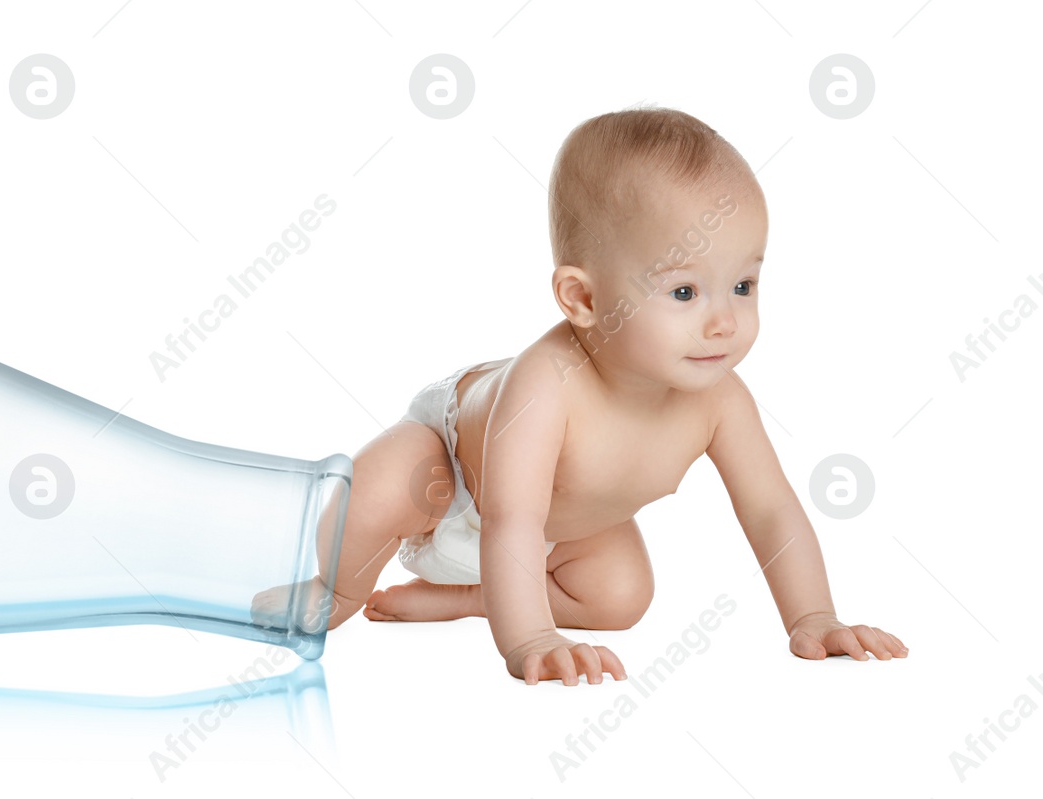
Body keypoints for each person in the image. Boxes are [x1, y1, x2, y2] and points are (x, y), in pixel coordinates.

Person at [253, 107, 908, 685]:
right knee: (382, 488)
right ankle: (334, 588)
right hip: (455, 475)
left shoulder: (721, 401)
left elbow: (770, 510)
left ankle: (470, 599)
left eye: (743, 285)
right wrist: (531, 639)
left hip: (559, 532)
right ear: (584, 299)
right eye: (685, 292)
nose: (725, 321)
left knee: (622, 597)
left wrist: (815, 616)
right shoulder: (547, 385)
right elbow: (510, 517)